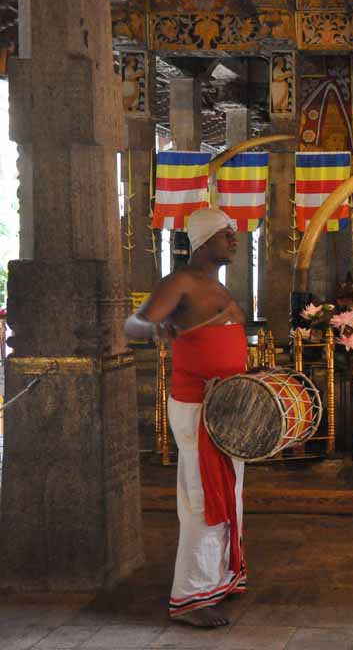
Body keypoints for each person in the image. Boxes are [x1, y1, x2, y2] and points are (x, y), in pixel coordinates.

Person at [125, 208, 247, 628]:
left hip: (227, 406)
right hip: (199, 406)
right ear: (204, 239)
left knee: (227, 494)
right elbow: (132, 324)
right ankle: (191, 597)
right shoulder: (180, 282)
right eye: (225, 234)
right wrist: (154, 330)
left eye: (233, 233)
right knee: (202, 497)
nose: (233, 239)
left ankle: (217, 579)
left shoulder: (215, 285)